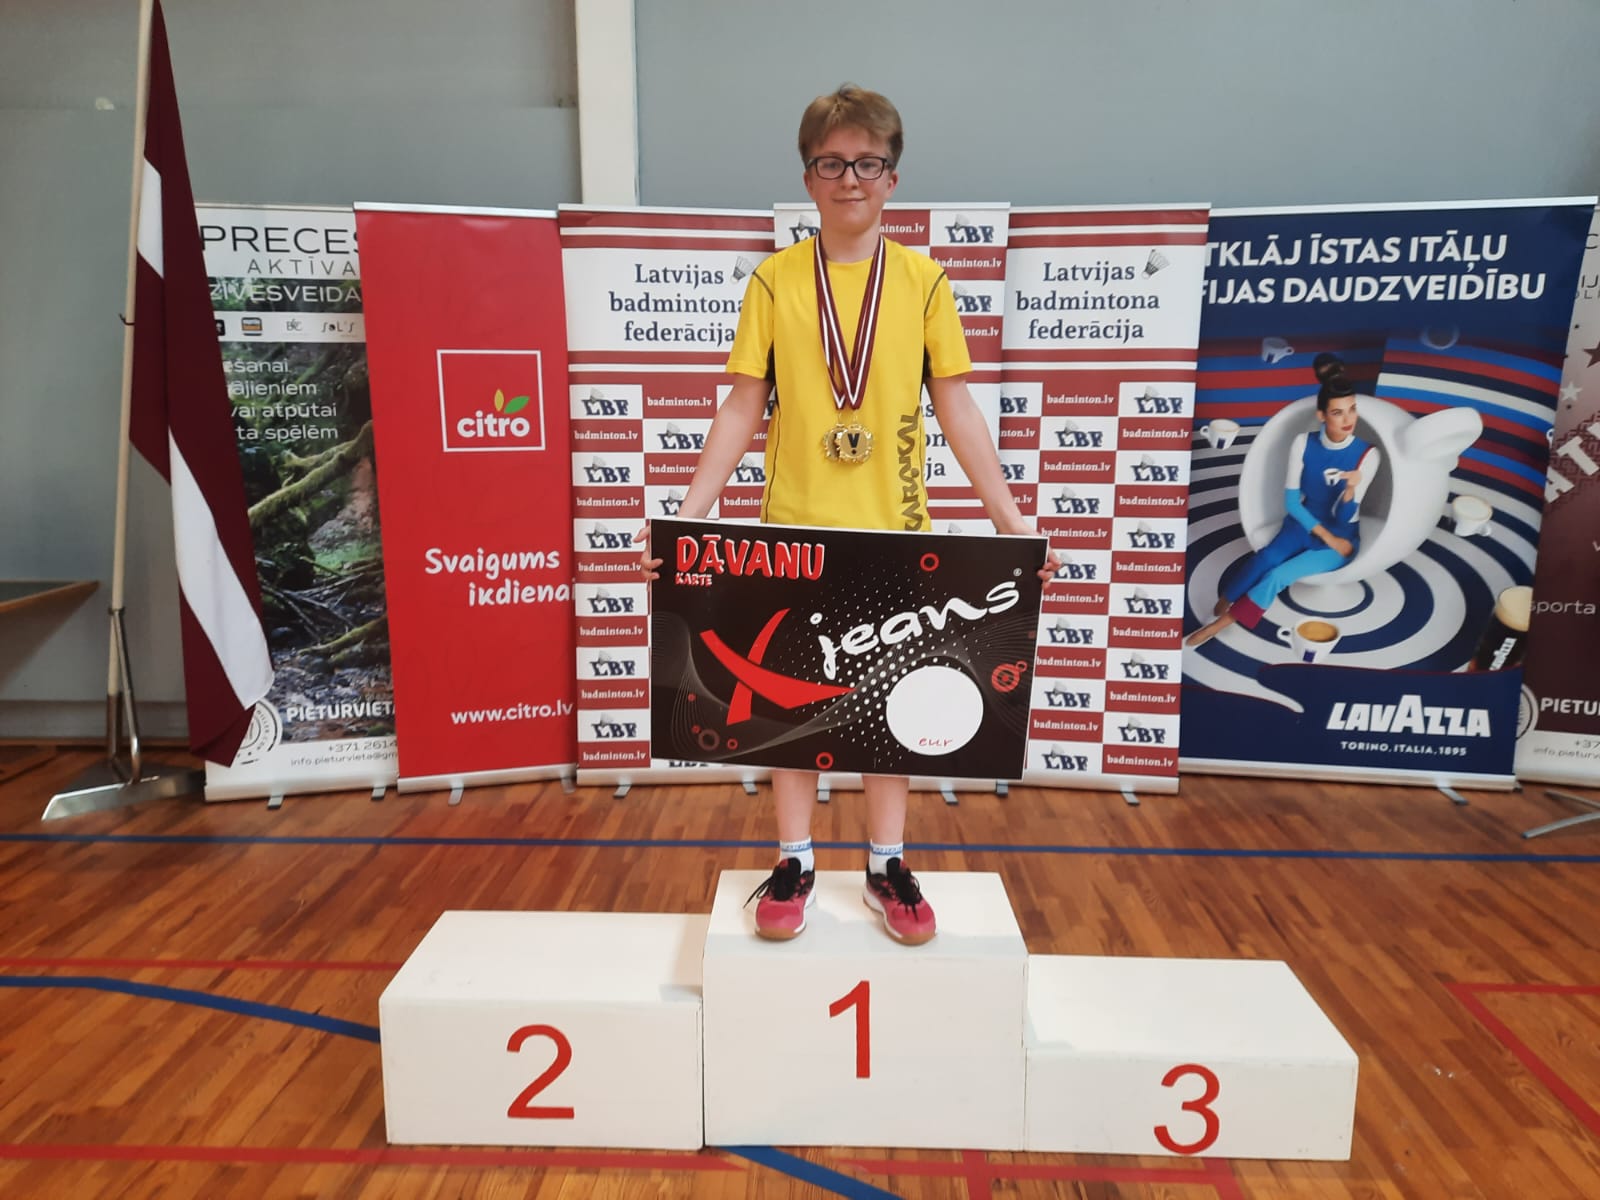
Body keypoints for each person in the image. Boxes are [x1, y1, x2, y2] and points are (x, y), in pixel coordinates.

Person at [638, 84, 1056, 945]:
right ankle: (793, 859)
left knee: (889, 708)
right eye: (832, 164)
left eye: (868, 163)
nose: (851, 178)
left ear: (892, 178)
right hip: (793, 532)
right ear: (808, 178)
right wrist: (685, 521)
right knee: (785, 707)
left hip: (896, 535)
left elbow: (957, 407)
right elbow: (741, 406)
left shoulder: (925, 282)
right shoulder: (775, 281)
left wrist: (1011, 520)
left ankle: (884, 865)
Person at [1186, 353, 1380, 647]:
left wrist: (1351, 491)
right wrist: (1324, 533)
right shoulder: (1303, 443)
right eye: (1338, 412)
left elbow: (1345, 517)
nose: (1348, 419)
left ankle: (1216, 627)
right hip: (1303, 522)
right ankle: (1226, 598)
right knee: (1265, 559)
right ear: (1322, 416)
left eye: (1352, 410)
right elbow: (1291, 502)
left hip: (1340, 538)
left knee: (1277, 575)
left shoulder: (1368, 455)